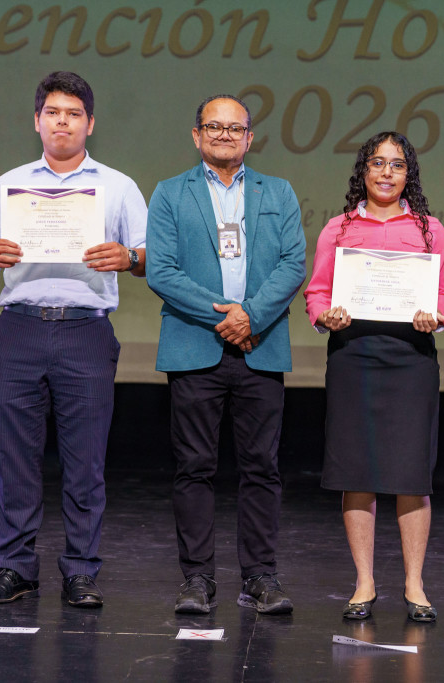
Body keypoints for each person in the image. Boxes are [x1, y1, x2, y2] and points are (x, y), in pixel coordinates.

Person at [0, 71, 147, 608]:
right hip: (19, 328)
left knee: (85, 463)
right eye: (52, 113)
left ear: (90, 123)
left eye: (73, 114)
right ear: (37, 121)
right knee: (14, 460)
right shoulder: (10, 183)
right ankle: (14, 568)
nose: (61, 122)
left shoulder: (118, 186)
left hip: (85, 330)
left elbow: (150, 255)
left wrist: (128, 257)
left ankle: (81, 571)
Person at [146, 94, 306, 615]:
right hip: (194, 346)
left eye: (234, 128)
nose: (223, 135)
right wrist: (227, 317)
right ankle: (197, 578)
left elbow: (293, 263)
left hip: (261, 345)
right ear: (196, 135)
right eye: (213, 127)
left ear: (249, 138)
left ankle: (260, 576)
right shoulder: (170, 193)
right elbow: (161, 271)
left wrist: (250, 316)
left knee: (262, 467)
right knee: (194, 467)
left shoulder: (278, 192)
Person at [303, 132, 444, 622]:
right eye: (377, 163)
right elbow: (317, 292)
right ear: (363, 171)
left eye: (397, 164)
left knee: (412, 473)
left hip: (412, 358)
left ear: (409, 174)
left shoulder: (431, 230)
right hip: (354, 357)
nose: (387, 172)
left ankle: (415, 584)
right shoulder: (338, 229)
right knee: (357, 472)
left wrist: (437, 314)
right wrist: (325, 316)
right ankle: (364, 583)